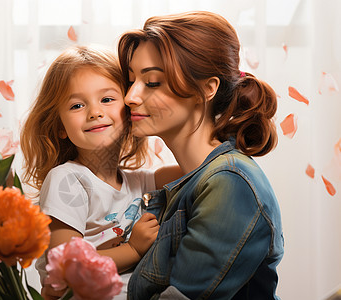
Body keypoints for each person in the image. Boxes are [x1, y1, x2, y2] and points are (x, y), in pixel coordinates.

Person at [118, 11, 285, 300]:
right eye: (132, 80)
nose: (130, 97)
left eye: (153, 82)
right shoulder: (189, 182)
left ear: (207, 89)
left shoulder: (230, 182)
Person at [19, 45, 182, 299]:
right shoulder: (68, 179)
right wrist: (133, 249)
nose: (95, 112)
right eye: (76, 106)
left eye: (106, 99)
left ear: (130, 112)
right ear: (60, 127)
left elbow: (195, 166)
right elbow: (67, 265)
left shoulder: (139, 181)